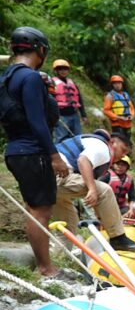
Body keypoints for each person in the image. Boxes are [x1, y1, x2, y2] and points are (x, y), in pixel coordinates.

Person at [1, 26, 69, 276]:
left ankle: (44, 264)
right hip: (33, 151)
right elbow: (37, 121)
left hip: (15, 150)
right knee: (41, 211)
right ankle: (46, 268)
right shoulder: (30, 78)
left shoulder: (6, 77)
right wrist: (54, 156)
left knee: (34, 208)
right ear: (40, 50)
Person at [53, 130, 135, 251]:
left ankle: (59, 257)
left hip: (46, 180)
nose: (123, 155)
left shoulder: (91, 145)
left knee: (68, 223)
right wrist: (92, 188)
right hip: (57, 175)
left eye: (127, 153)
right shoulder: (104, 147)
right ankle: (118, 238)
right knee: (105, 190)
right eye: (123, 150)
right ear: (112, 142)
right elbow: (83, 161)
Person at [51, 59, 84, 142]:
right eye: (60, 69)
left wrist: (83, 114)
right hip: (61, 116)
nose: (63, 71)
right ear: (56, 71)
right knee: (61, 138)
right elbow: (49, 100)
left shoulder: (72, 83)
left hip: (74, 114)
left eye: (65, 69)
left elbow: (79, 98)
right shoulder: (52, 83)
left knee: (78, 137)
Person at [102, 75, 134, 140]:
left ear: (122, 84)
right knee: (119, 142)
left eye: (119, 83)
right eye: (115, 83)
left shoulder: (126, 95)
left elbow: (131, 108)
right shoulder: (110, 96)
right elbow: (106, 110)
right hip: (117, 124)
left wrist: (132, 116)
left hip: (128, 124)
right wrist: (118, 117)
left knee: (127, 142)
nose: (117, 85)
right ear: (112, 85)